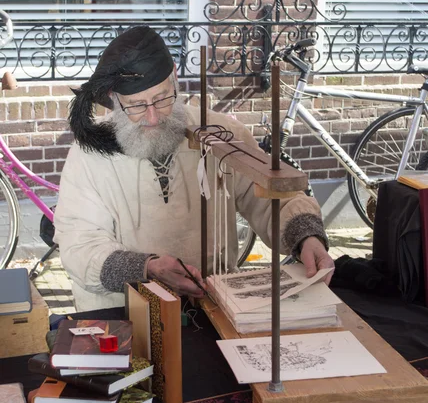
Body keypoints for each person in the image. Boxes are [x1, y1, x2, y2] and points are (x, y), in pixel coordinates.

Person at [54, 26, 334, 311]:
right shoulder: (88, 157)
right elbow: (79, 245)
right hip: (126, 313)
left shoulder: (223, 133)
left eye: (163, 98)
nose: (152, 117)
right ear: (114, 98)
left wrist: (306, 236)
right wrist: (146, 268)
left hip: (212, 304)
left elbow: (268, 199)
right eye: (137, 105)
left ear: (175, 75)